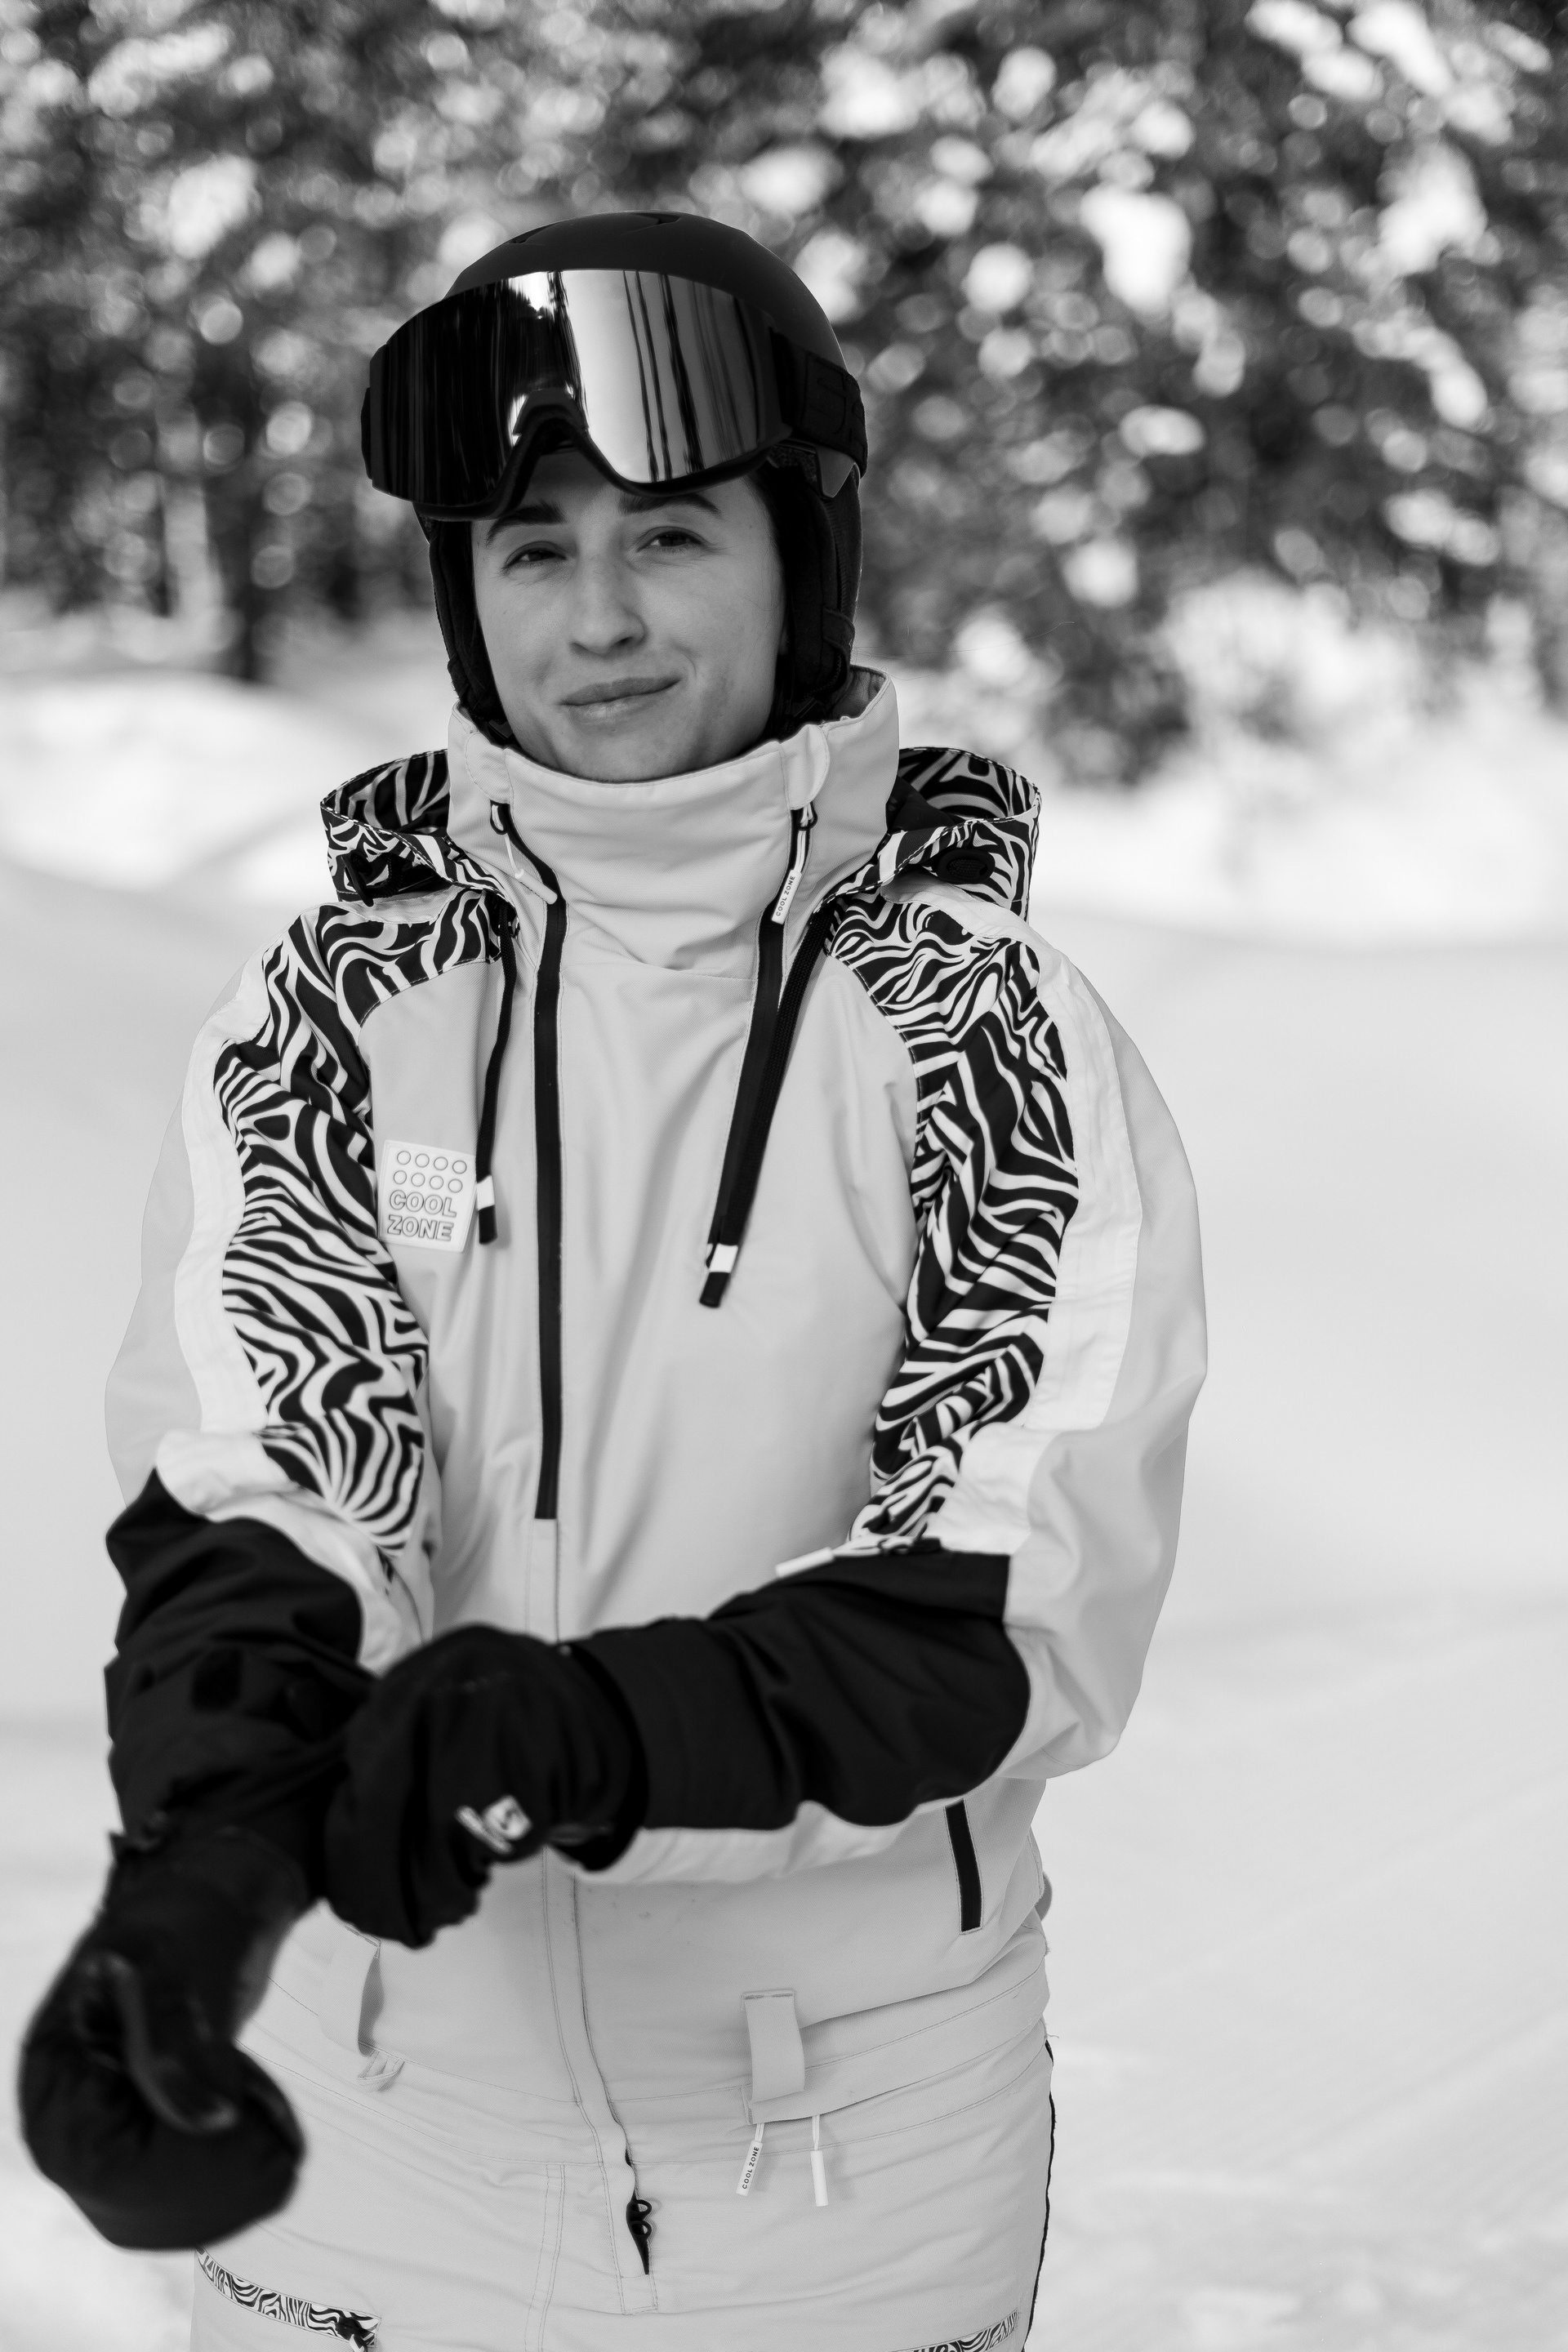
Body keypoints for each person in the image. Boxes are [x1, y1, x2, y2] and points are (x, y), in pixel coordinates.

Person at [20, 212, 1206, 2351]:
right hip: (368, 2135)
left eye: (668, 535)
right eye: (531, 548)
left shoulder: (980, 1027)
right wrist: (203, 1875)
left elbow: (1015, 1592)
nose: (598, 619)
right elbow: (269, 1477)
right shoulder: (337, 1004)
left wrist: (587, 1733)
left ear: (800, 560)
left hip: (832, 2167)